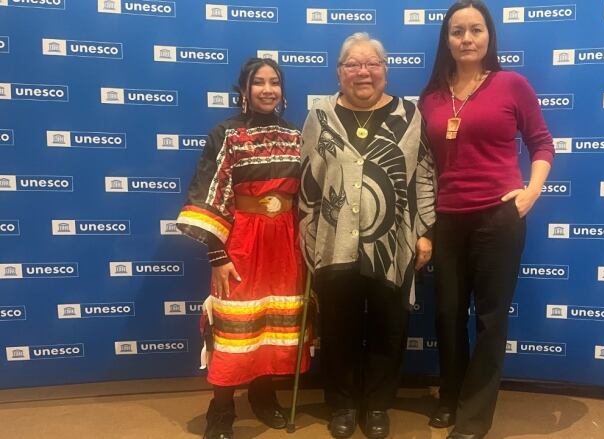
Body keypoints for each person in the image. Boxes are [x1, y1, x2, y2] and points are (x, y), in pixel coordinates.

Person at [418, 1, 555, 438]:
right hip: (447, 220)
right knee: (448, 313)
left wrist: (531, 192)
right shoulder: (432, 96)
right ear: (447, 40)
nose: (467, 39)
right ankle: (451, 393)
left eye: (475, 30)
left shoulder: (511, 84)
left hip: (499, 217)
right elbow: (423, 163)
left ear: (489, 36)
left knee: (491, 320)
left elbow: (542, 143)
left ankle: (474, 417)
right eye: (457, 31)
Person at [298, 32, 436, 439]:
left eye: (372, 64)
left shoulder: (409, 116)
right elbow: (308, 181)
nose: (364, 72)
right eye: (353, 65)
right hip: (333, 241)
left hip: (392, 244)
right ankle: (341, 405)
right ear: (339, 73)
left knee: (387, 326)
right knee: (338, 327)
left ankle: (377, 405)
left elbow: (424, 176)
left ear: (385, 71)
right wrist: (309, 237)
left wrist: (425, 233)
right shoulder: (320, 115)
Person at [176, 58, 310, 439]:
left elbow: (305, 194)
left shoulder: (296, 136)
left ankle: (263, 396)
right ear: (244, 90)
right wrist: (217, 255)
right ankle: (221, 407)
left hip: (285, 242)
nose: (267, 89)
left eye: (274, 82)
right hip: (242, 242)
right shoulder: (226, 134)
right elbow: (210, 193)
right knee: (236, 326)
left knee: (271, 324)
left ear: (283, 91)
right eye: (258, 82)